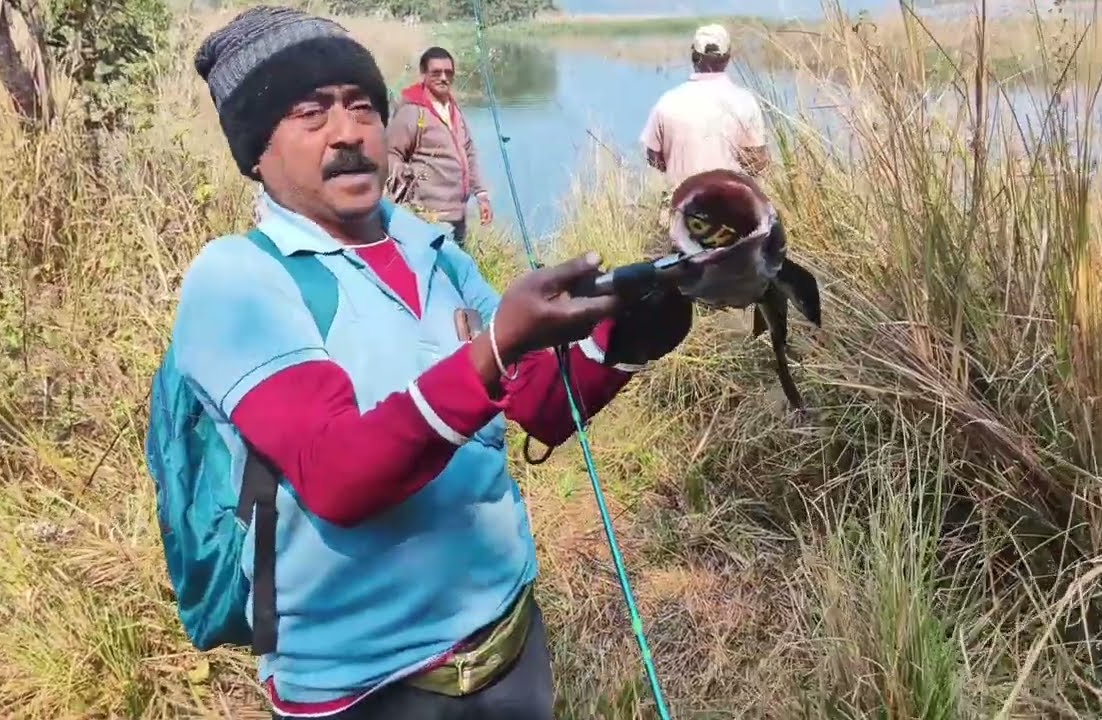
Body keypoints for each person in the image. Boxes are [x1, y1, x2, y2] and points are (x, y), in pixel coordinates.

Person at [177, 6, 693, 719]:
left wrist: (629, 332)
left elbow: (538, 405)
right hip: (363, 689)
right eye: (310, 113)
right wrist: (497, 345)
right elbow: (338, 475)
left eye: (362, 107)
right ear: (255, 151)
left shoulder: (435, 252)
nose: (349, 133)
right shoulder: (237, 280)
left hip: (508, 646)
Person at [639, 24, 770, 192]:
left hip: (682, 204)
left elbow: (653, 158)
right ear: (727, 57)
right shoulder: (745, 101)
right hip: (731, 204)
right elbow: (757, 163)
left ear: (694, 56)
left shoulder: (667, 102)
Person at [386, 46, 491, 247]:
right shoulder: (412, 113)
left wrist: (482, 195)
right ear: (423, 75)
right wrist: (405, 180)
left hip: (458, 214)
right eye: (436, 73)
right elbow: (391, 153)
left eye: (448, 73)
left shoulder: (453, 110)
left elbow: (468, 153)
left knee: (455, 272)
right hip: (430, 218)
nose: (444, 78)